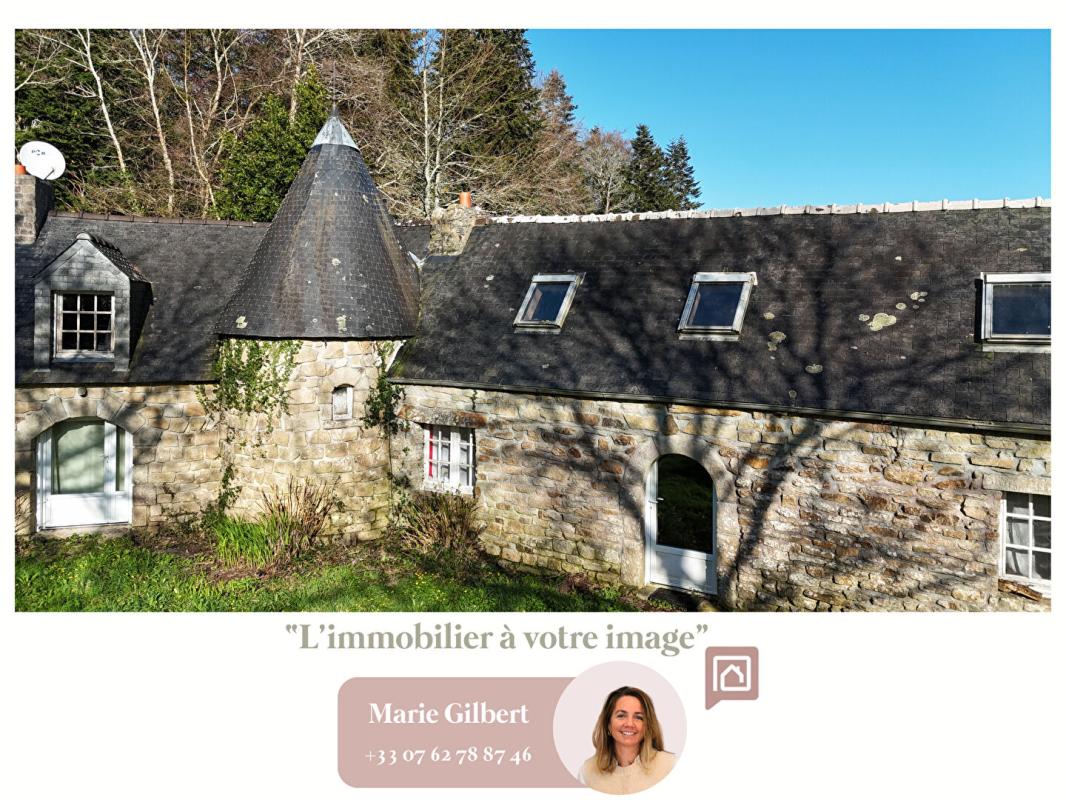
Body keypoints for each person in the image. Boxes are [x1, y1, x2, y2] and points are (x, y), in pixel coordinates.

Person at [579, 686, 676, 795]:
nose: (630, 724)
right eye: (621, 716)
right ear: (608, 724)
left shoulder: (670, 766)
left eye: (638, 717)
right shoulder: (587, 772)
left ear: (647, 726)